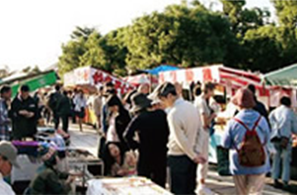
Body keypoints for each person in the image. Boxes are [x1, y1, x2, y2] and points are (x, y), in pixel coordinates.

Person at [156, 82, 206, 195]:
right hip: (191, 154)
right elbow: (200, 131)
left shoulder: (173, 113)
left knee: (178, 191)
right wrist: (196, 152)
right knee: (190, 189)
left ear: (169, 96)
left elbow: (180, 139)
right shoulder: (191, 107)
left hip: (178, 156)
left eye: (163, 99)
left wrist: (194, 155)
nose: (163, 103)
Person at [222, 88, 271, 195]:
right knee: (256, 192)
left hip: (239, 163)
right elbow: (267, 139)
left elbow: (225, 143)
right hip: (259, 162)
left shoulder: (233, 122)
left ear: (238, 104)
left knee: (241, 192)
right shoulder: (261, 120)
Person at [124, 93, 169, 187]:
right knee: (159, 183)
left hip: (145, 154)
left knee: (144, 184)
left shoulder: (139, 118)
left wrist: (136, 146)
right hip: (161, 153)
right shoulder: (162, 114)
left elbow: (126, 135)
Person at [269, 96, 297, 189]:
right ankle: (285, 180)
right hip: (286, 139)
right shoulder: (290, 113)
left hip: (275, 138)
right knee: (286, 160)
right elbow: (295, 128)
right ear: (289, 103)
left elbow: (270, 124)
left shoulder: (273, 112)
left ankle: (275, 178)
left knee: (276, 159)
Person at [194, 82, 217, 195]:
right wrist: (213, 115)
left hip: (200, 133)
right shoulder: (202, 102)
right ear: (209, 90)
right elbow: (204, 122)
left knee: (202, 159)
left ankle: (201, 184)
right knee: (203, 159)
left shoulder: (199, 101)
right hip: (202, 134)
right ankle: (201, 185)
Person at [103, 95, 131, 175]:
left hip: (119, 141)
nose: (111, 109)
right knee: (109, 161)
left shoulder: (124, 114)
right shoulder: (111, 114)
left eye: (112, 106)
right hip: (110, 140)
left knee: (120, 160)